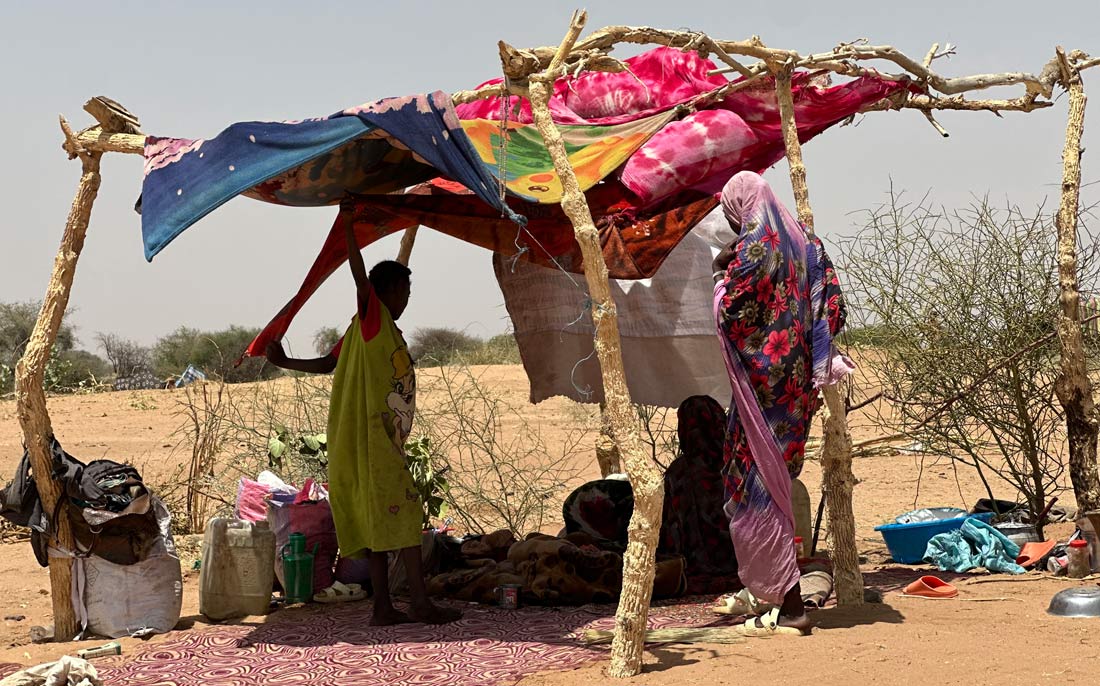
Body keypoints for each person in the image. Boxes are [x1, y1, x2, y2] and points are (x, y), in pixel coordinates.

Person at [265, 218, 460, 626]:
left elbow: (329, 363)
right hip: (373, 442)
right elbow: (359, 278)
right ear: (386, 292)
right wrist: (350, 226)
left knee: (378, 520)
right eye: (403, 291)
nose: (406, 299)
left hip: (369, 442)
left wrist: (287, 363)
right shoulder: (372, 319)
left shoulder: (366, 330)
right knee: (405, 516)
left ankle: (383, 607)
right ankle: (419, 604)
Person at [712, 171, 850, 636]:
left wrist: (719, 275)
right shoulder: (807, 243)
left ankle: (791, 605)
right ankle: (774, 595)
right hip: (795, 392)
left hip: (764, 391)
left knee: (758, 491)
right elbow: (833, 306)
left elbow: (733, 313)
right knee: (773, 483)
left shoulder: (754, 249)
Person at [659, 395, 740, 594]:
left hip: (692, 564)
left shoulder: (679, 472)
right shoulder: (737, 465)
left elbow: (670, 528)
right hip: (742, 560)